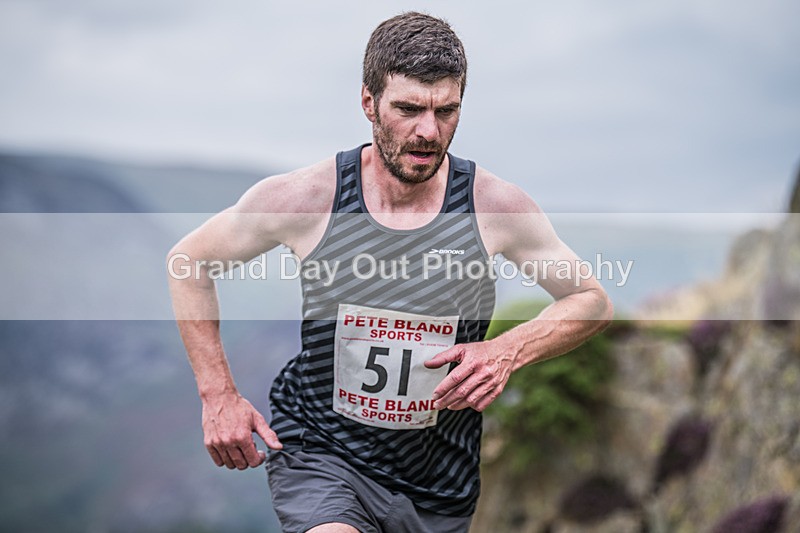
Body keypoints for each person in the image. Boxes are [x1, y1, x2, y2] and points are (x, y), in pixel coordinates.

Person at [168, 11, 613, 533]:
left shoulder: (494, 207)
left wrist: (505, 350)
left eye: (446, 111)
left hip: (437, 481)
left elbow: (591, 300)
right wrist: (217, 394)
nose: (428, 131)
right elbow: (188, 262)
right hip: (323, 455)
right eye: (407, 109)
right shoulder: (306, 199)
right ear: (368, 103)